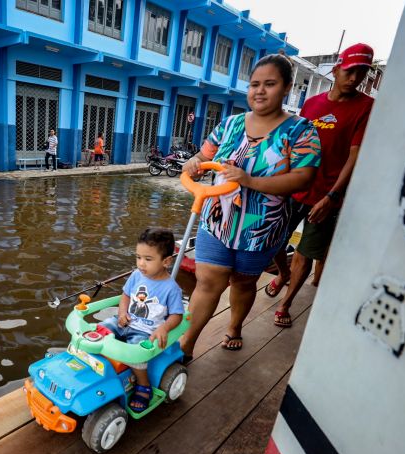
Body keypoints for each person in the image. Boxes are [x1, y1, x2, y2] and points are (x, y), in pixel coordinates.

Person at [179, 54, 321, 355]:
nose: (259, 90)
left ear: (286, 88)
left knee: (243, 284)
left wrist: (250, 180)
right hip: (216, 220)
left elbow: (304, 178)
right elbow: (203, 156)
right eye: (255, 84)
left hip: (261, 228)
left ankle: (234, 326)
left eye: (269, 84)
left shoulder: (301, 130)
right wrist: (195, 162)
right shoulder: (230, 124)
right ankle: (187, 345)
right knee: (207, 283)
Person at [268, 44, 375, 328]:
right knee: (272, 240)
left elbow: (356, 154)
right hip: (296, 187)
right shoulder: (312, 104)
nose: (354, 78)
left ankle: (285, 303)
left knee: (306, 251)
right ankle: (282, 274)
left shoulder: (366, 107)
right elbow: (296, 144)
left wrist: (332, 196)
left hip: (328, 195)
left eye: (361, 72)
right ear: (337, 69)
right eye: (350, 71)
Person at [99, 227, 184, 412]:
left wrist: (164, 328)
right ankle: (97, 370)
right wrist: (122, 313)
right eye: (138, 257)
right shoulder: (137, 275)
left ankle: (143, 385)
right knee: (99, 330)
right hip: (125, 322)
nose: (141, 264)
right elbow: (125, 296)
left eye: (148, 259)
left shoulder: (171, 289)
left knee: (136, 354)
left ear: (166, 261)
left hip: (145, 331)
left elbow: (177, 315)